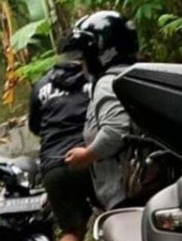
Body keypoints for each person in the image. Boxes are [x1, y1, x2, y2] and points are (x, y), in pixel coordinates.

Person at [28, 39, 95, 241]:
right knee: (109, 211)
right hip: (88, 156)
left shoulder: (41, 85)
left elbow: (35, 126)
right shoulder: (94, 79)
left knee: (70, 227)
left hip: (54, 164)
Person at [62, 10, 140, 211]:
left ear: (102, 51)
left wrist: (86, 155)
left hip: (125, 194)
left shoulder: (107, 83)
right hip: (141, 188)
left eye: (85, 55)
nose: (83, 62)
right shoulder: (134, 75)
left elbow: (116, 131)